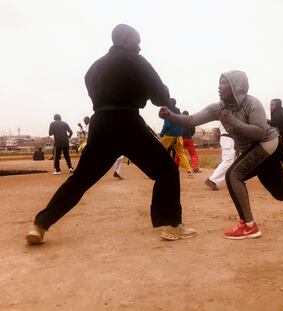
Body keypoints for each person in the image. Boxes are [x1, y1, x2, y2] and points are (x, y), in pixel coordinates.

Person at [25, 24, 196, 244]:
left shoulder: (93, 68)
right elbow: (160, 95)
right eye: (137, 40)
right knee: (166, 171)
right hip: (127, 122)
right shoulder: (136, 60)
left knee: (80, 180)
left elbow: (98, 92)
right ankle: (170, 224)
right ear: (124, 38)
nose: (140, 46)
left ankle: (39, 225)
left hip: (100, 124)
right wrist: (162, 98)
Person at [159, 70, 283, 240]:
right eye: (219, 83)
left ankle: (248, 225)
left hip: (266, 143)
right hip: (253, 149)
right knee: (281, 192)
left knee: (233, 175)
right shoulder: (218, 108)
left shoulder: (252, 104)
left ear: (236, 86)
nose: (219, 87)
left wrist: (233, 121)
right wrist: (171, 116)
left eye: (224, 83)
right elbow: (192, 120)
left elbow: (260, 132)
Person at [159, 98, 193, 177]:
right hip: (178, 136)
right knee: (181, 153)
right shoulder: (179, 113)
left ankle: (153, 170)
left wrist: (161, 134)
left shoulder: (168, 112)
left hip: (169, 135)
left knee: (159, 151)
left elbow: (166, 125)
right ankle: (189, 171)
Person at [205, 123, 235, 190]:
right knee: (228, 161)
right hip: (228, 139)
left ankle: (233, 179)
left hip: (228, 139)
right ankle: (213, 180)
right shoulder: (227, 113)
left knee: (231, 161)